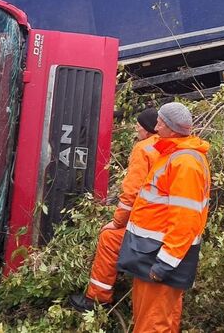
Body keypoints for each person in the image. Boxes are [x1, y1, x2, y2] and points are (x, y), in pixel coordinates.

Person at [117, 102, 211, 333]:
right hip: (151, 253)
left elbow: (186, 220)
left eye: (160, 121)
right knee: (159, 321)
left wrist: (164, 264)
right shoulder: (172, 155)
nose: (155, 125)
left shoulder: (185, 163)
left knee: (152, 324)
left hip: (158, 257)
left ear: (171, 128)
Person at [69, 107, 161, 312]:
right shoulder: (171, 148)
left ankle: (96, 299)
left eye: (139, 123)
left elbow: (131, 193)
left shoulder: (144, 148)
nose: (136, 126)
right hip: (165, 222)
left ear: (148, 129)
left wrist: (117, 222)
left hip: (149, 225)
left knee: (109, 238)